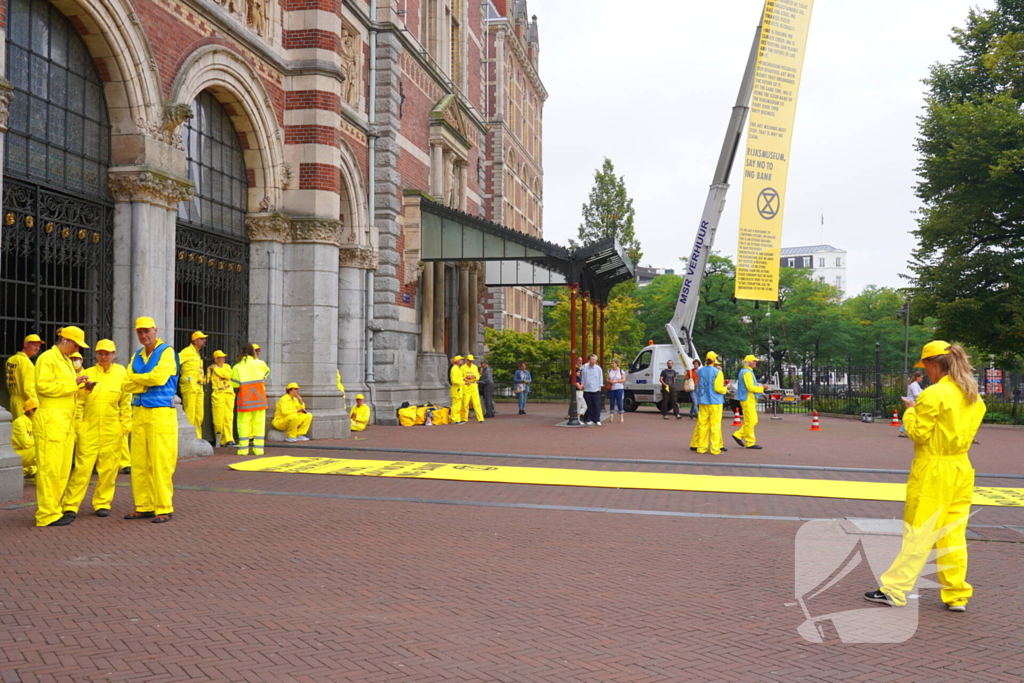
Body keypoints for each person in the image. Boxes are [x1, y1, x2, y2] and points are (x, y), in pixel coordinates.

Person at [865, 341, 986, 613]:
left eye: (926, 366)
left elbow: (919, 433)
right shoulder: (972, 395)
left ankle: (894, 589)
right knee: (953, 534)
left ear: (933, 364)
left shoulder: (934, 394)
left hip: (933, 467)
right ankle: (956, 594)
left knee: (920, 530)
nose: (926, 372)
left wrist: (910, 410)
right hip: (961, 467)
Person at [62, 339, 131, 518]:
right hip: (89, 427)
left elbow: (125, 403)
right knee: (82, 469)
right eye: (100, 353)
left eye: (107, 354)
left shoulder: (122, 373)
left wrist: (124, 426)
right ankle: (71, 505)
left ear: (113, 354)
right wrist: (79, 424)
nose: (103, 357)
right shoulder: (88, 373)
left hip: (112, 428)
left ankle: (102, 503)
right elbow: (79, 401)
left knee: (109, 469)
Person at [122, 318, 180, 524]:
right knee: (139, 463)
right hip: (139, 412)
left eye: (147, 331)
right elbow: (125, 383)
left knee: (160, 462)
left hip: (160, 413)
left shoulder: (167, 352)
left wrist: (137, 380)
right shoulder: (137, 355)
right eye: (139, 332)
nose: (143, 335)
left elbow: (159, 378)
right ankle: (144, 505)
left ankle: (163, 507)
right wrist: (144, 382)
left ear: (155, 330)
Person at [33, 326, 91, 527]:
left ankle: (55, 509)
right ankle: (46, 514)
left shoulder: (66, 360)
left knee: (62, 469)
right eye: (75, 344)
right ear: (65, 340)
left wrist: (82, 388)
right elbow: (43, 386)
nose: (77, 349)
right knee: (49, 469)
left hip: (64, 422)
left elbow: (67, 390)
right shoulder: (47, 358)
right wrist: (73, 383)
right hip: (51, 421)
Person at [231, 343, 270, 456]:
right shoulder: (260, 364)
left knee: (243, 424)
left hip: (245, 399)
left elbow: (235, 384)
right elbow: (266, 374)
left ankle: (243, 450)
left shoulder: (237, 367)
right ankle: (259, 450)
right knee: (259, 424)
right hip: (259, 398)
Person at [690, 351, 728, 455]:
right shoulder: (718, 372)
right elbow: (718, 388)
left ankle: (701, 448)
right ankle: (715, 449)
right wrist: (726, 389)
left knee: (703, 425)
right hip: (715, 402)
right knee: (715, 425)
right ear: (714, 360)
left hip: (703, 401)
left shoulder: (699, 371)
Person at [6, 333, 43, 420]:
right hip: (25, 402)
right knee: (27, 427)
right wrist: (33, 404)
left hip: (13, 399)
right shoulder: (25, 362)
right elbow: (28, 386)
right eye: (34, 345)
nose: (37, 348)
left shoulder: (11, 359)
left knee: (17, 425)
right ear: (25, 344)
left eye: (39, 346)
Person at [179, 331, 208, 439]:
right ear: (195, 341)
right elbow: (175, 362)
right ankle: (189, 438)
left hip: (198, 386)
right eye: (202, 339)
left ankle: (197, 437)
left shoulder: (197, 353)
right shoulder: (187, 351)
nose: (204, 341)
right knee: (190, 412)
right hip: (190, 386)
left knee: (199, 415)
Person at [732, 354, 765, 449]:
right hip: (747, 398)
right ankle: (747, 440)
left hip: (747, 398)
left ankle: (741, 436)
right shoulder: (747, 372)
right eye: (754, 361)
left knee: (750, 420)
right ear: (749, 362)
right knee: (752, 420)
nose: (756, 362)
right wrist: (762, 388)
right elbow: (750, 387)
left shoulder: (746, 371)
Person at [207, 350, 236, 446]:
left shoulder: (227, 367)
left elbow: (227, 375)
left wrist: (216, 369)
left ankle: (229, 439)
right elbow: (207, 380)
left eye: (224, 357)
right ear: (216, 359)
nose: (223, 359)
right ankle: (220, 439)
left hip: (228, 393)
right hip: (218, 394)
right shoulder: (210, 368)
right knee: (218, 418)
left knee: (228, 417)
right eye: (221, 357)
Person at [12, 397, 37, 478]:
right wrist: (41, 440)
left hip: (25, 452)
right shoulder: (19, 423)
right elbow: (26, 443)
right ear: (32, 411)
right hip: (16, 453)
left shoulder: (35, 421)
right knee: (39, 451)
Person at [898, 371, 925, 438]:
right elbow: (915, 394)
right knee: (913, 416)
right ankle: (902, 431)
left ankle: (903, 431)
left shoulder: (915, 384)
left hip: (913, 402)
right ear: (917, 377)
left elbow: (920, 391)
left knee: (913, 416)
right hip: (912, 402)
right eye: (921, 377)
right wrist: (923, 394)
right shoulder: (914, 385)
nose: (921, 379)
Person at [579, 354, 604, 426]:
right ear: (589, 360)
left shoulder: (598, 369)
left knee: (596, 405)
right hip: (587, 389)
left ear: (596, 360)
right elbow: (582, 377)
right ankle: (588, 419)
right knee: (588, 405)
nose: (593, 361)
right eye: (591, 359)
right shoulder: (585, 368)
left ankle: (597, 419)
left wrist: (600, 386)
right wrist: (582, 384)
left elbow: (600, 377)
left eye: (594, 359)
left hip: (595, 389)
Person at [461, 355, 485, 423]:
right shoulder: (462, 368)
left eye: (472, 361)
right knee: (465, 403)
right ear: (467, 360)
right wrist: (466, 378)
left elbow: (478, 376)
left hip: (474, 385)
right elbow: (460, 377)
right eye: (469, 361)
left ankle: (481, 418)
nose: (471, 362)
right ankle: (464, 418)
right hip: (466, 386)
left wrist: (474, 377)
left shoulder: (474, 367)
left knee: (477, 403)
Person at [607, 358, 626, 423]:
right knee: (612, 402)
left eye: (613, 363)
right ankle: (611, 417)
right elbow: (607, 379)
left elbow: (624, 379)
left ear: (616, 364)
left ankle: (621, 417)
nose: (612, 364)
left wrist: (616, 381)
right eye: (611, 363)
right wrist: (610, 381)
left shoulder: (621, 371)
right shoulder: (609, 371)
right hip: (611, 388)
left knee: (619, 402)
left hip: (619, 388)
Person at [449, 356, 465, 424]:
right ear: (457, 361)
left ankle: (457, 419)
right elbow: (454, 380)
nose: (462, 360)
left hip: (458, 390)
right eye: (460, 359)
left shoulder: (457, 368)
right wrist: (464, 382)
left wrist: (464, 379)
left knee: (458, 405)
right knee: (456, 405)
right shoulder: (455, 368)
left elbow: (458, 378)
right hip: (456, 390)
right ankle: (454, 419)